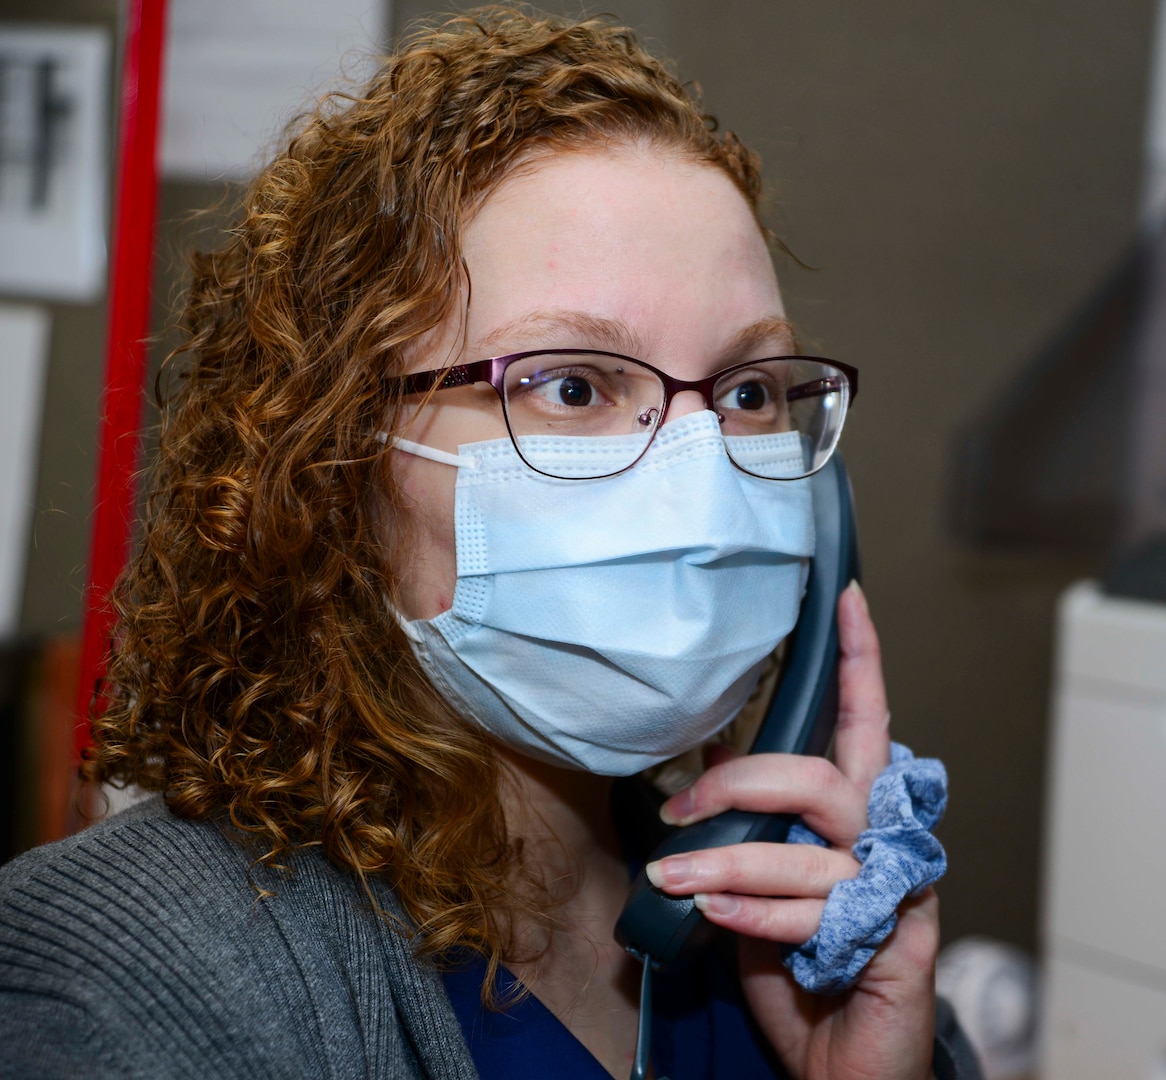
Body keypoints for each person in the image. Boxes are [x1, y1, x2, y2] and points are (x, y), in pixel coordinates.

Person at [0, 9, 975, 1079]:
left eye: (746, 390)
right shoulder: (123, 987)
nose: (702, 481)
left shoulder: (812, 921)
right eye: (572, 385)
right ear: (331, 464)